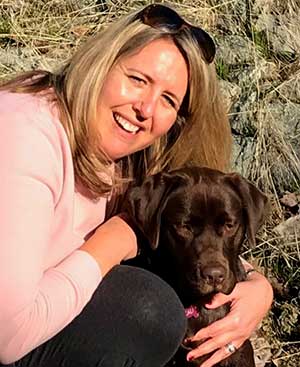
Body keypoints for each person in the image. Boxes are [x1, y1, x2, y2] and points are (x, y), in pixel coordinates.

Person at [0, 4, 273, 367]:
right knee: (148, 310)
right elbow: (8, 336)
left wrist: (257, 286)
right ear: (101, 63)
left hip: (44, 318)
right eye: (138, 79)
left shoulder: (128, 155)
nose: (145, 108)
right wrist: (115, 240)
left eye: (168, 100)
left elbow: (201, 226)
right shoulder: (24, 134)